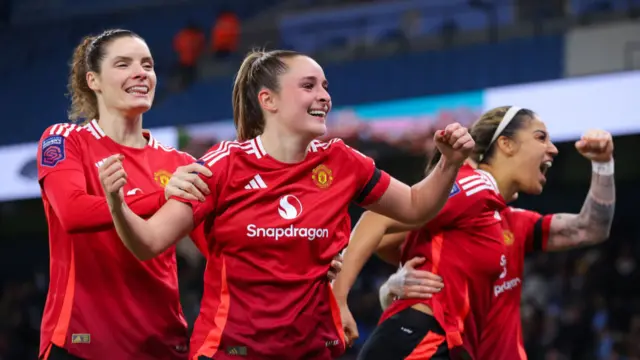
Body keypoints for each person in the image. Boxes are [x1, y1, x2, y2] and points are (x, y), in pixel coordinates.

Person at [100, 49, 475, 359]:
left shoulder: (342, 161)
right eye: (308, 86)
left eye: (325, 87)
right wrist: (117, 204)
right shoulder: (223, 166)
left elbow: (414, 206)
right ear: (269, 100)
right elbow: (149, 242)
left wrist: (448, 163)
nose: (324, 96)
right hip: (231, 351)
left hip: (315, 350)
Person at [350, 107, 615, 359]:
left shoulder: (516, 223)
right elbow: (381, 230)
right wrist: (391, 286)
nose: (553, 149)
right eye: (540, 137)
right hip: (429, 341)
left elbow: (590, 228)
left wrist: (604, 164)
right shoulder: (466, 191)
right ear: (505, 144)